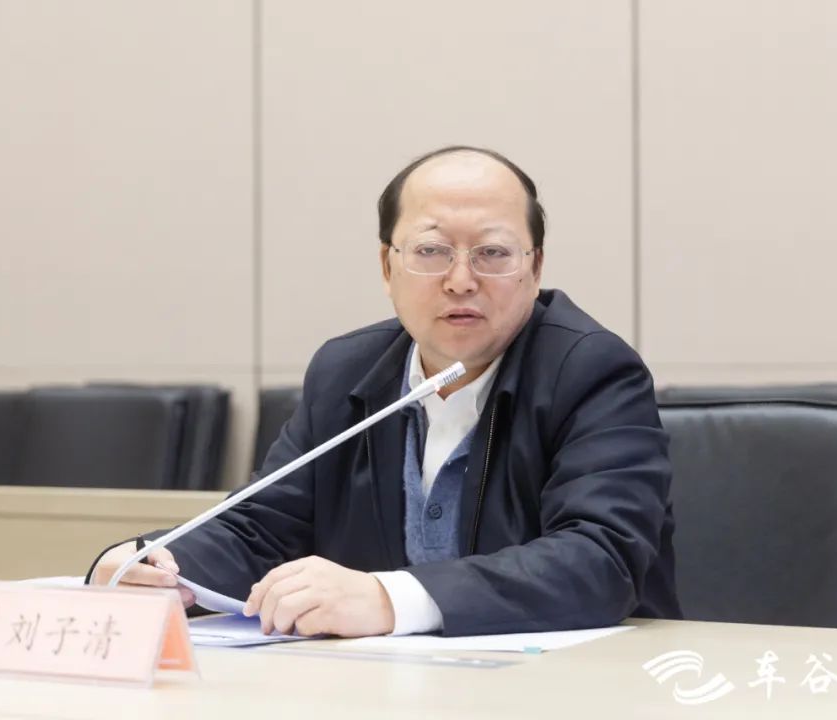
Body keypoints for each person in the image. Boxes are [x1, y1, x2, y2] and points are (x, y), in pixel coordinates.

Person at [89, 145, 680, 637]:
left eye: (493, 253)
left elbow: (602, 559)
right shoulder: (348, 370)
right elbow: (263, 528)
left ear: (535, 266)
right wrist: (155, 564)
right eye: (431, 251)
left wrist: (388, 599)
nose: (461, 280)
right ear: (386, 266)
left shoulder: (591, 370)